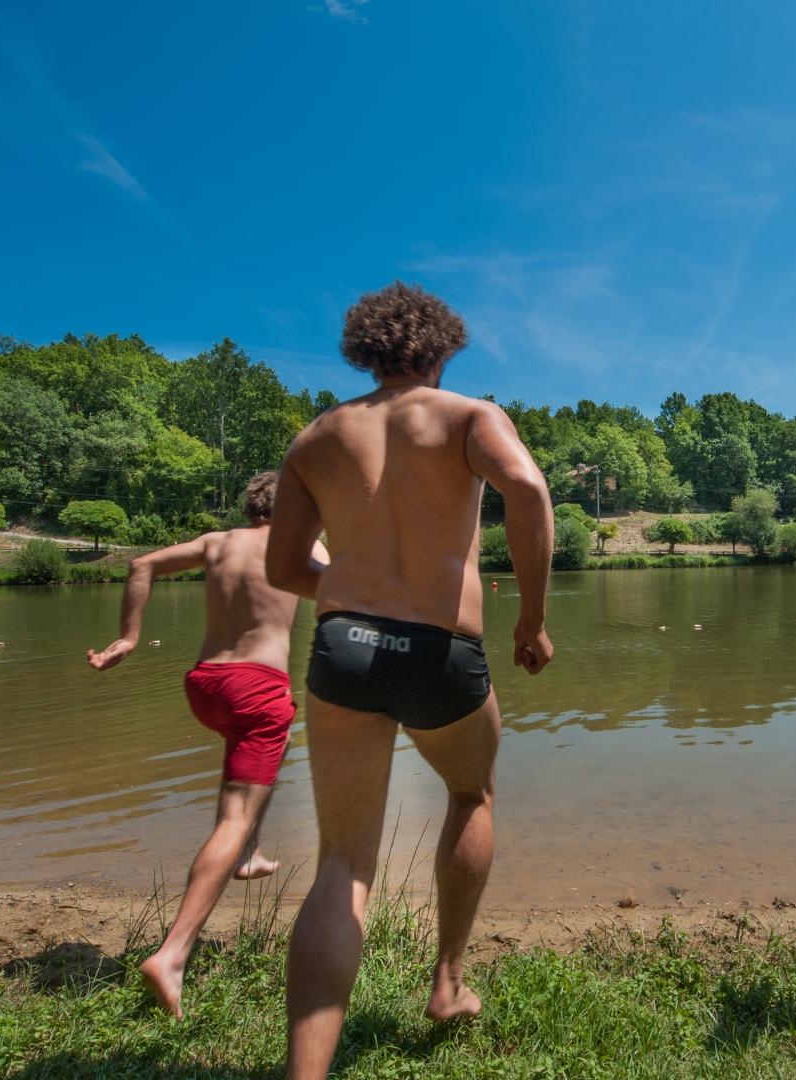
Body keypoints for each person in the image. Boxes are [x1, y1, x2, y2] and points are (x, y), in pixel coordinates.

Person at [265, 282, 554, 1080]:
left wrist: (362, 604)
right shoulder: (469, 417)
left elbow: (285, 565)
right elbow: (527, 490)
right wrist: (531, 619)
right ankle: (449, 982)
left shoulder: (316, 436)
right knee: (472, 795)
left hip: (343, 647)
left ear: (364, 349)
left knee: (342, 864)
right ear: (442, 348)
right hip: (442, 652)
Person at [86, 471, 328, 1019]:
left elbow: (140, 563)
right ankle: (172, 955)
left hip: (205, 683)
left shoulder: (217, 543)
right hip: (259, 687)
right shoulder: (300, 543)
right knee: (237, 811)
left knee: (250, 769)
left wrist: (128, 636)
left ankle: (249, 852)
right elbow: (351, 587)